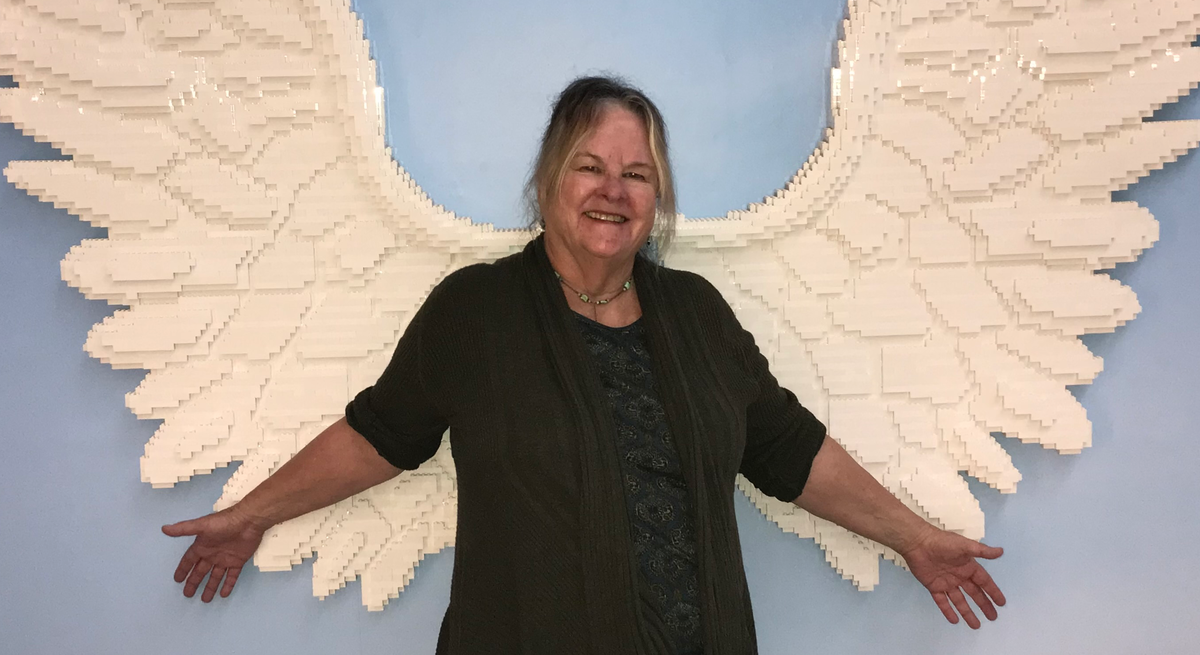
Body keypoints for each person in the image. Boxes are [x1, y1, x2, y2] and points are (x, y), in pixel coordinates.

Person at [164, 76, 1005, 653]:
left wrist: (914, 539)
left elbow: (788, 450)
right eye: (591, 168)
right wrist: (252, 514)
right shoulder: (475, 313)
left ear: (658, 198)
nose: (614, 190)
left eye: (637, 174)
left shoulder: (698, 316)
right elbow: (379, 436)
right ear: (548, 181)